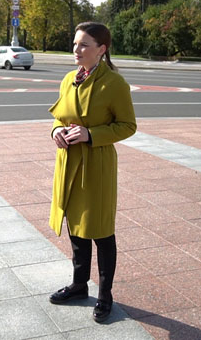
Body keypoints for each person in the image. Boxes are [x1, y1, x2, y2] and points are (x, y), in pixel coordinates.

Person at [48, 22, 137, 323]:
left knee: (100, 230)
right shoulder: (68, 79)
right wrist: (57, 131)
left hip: (97, 164)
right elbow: (59, 117)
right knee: (76, 226)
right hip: (68, 162)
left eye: (84, 45)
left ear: (102, 49)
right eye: (75, 44)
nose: (77, 50)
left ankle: (105, 295)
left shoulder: (114, 84)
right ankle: (78, 284)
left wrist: (91, 134)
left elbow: (128, 125)